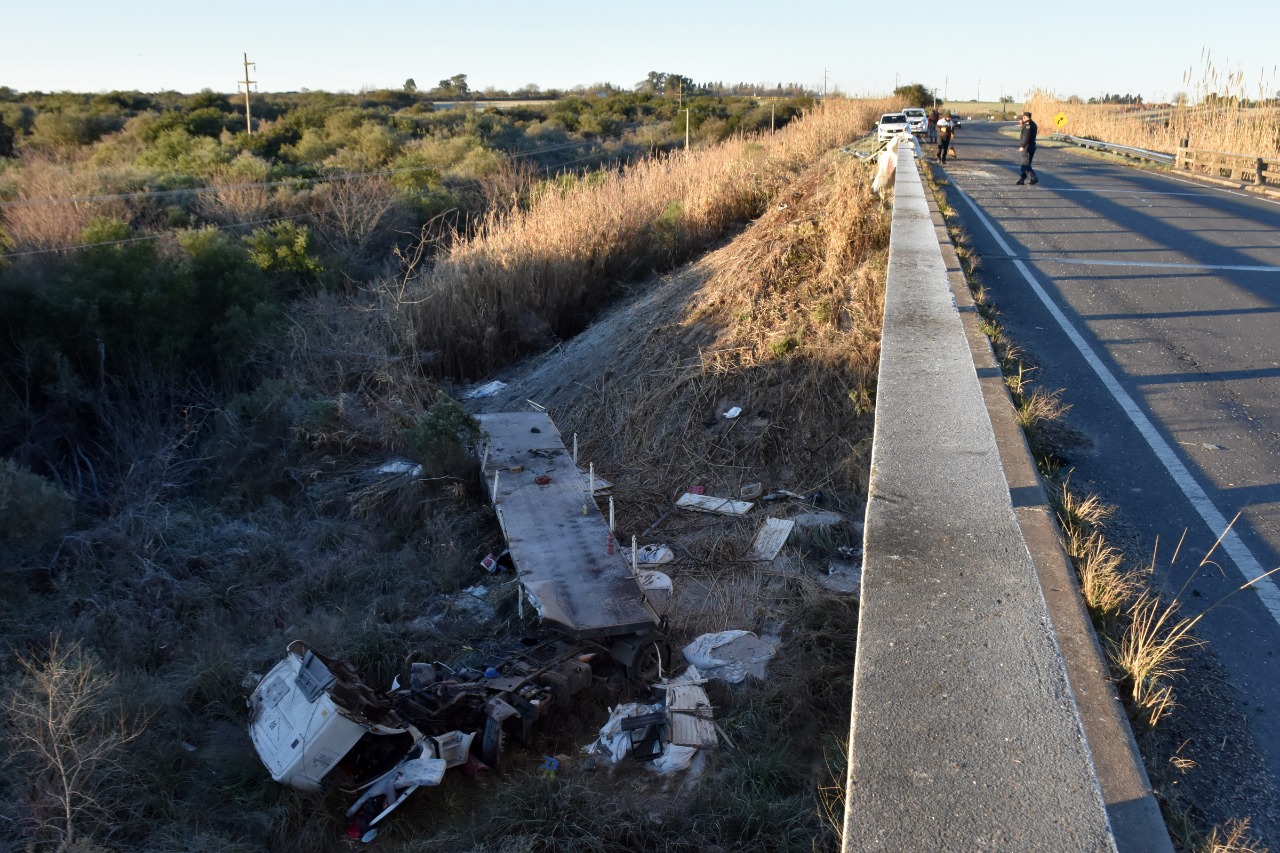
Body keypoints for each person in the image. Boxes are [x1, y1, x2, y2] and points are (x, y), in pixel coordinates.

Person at [1016, 111, 1039, 185]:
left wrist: (1022, 146)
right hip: (1032, 146)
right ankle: (1022, 179)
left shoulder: (1027, 125)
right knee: (1026, 164)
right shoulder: (1033, 124)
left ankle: (1033, 178)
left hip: (1027, 147)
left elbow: (1026, 137)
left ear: (1025, 117)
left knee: (1025, 164)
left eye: (1023, 117)